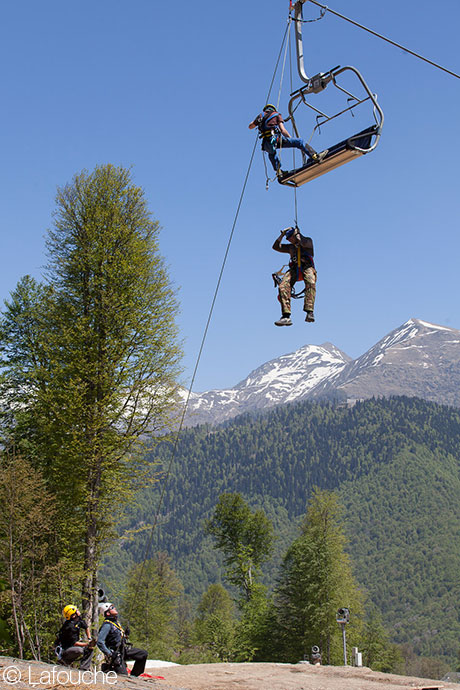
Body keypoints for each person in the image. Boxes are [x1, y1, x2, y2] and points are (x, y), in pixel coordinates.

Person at [249, 104, 327, 176]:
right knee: (300, 142)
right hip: (276, 139)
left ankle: (278, 171)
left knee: (272, 153)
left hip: (266, 143)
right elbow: (283, 130)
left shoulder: (260, 116)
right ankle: (315, 156)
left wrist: (257, 121)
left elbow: (250, 126)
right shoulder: (276, 115)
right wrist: (290, 139)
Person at [272, 226, 317, 326]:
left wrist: (298, 235)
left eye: (290, 237)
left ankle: (309, 312)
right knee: (283, 286)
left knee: (310, 282)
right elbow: (275, 247)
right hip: (295, 270)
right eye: (287, 239)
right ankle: (286, 316)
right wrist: (282, 235)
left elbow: (304, 242)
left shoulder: (307, 242)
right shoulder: (291, 247)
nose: (289, 240)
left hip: (307, 267)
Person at [97, 602, 147, 677]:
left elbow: (117, 637)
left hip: (123, 650)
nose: (115, 608)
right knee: (123, 675)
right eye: (112, 608)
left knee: (143, 654)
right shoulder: (107, 625)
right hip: (116, 654)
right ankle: (110, 669)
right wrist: (109, 653)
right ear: (107, 613)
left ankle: (134, 675)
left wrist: (125, 635)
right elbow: (100, 641)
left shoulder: (116, 623)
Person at [57, 605, 95, 670]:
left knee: (90, 649)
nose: (78, 611)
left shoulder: (78, 620)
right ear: (73, 615)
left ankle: (84, 668)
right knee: (79, 650)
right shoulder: (69, 627)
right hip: (65, 649)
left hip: (72, 646)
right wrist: (87, 644)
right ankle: (64, 660)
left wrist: (89, 638)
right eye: (76, 610)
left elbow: (86, 627)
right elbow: (74, 643)